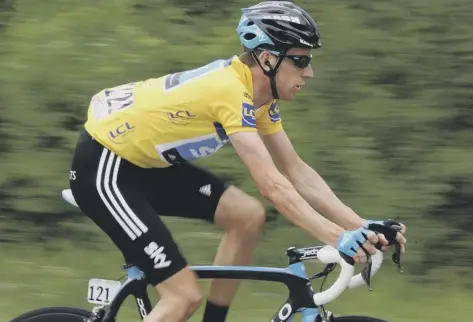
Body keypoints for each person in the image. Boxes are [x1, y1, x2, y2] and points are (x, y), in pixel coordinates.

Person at [68, 1, 407, 322]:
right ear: (267, 59)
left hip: (145, 164)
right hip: (106, 168)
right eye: (300, 61)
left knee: (247, 216)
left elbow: (297, 172)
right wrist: (336, 237)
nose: (310, 73)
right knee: (182, 297)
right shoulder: (229, 91)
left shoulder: (260, 100)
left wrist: (359, 226)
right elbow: (272, 186)